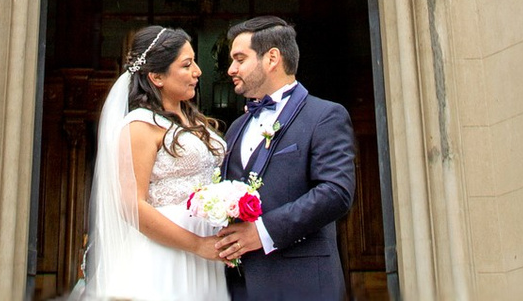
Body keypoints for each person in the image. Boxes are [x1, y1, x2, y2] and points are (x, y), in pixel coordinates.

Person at [81, 22, 232, 300]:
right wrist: (197, 245)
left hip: (205, 253)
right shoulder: (140, 126)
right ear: (157, 77)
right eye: (186, 65)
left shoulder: (195, 121)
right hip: (166, 254)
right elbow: (132, 205)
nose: (198, 71)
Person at [212, 18, 356, 297]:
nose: (231, 69)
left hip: (302, 284)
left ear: (272, 58)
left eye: (240, 59)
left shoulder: (325, 116)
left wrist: (263, 231)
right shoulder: (235, 128)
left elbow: (336, 192)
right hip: (241, 287)